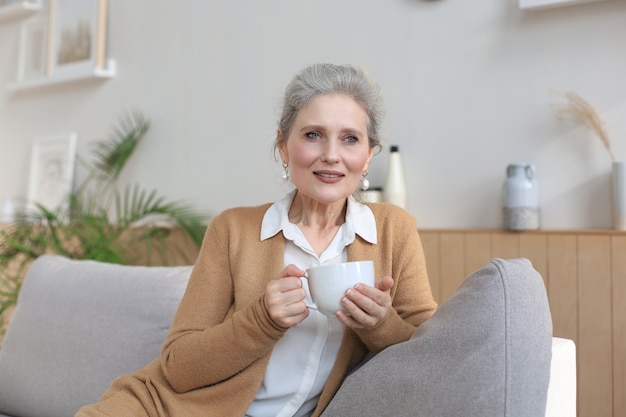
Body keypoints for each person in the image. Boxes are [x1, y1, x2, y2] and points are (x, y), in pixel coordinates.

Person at [76, 63, 437, 417]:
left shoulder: (394, 230)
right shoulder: (232, 229)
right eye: (313, 135)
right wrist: (262, 320)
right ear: (283, 146)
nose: (331, 154)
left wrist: (380, 325)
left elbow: (434, 356)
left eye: (350, 139)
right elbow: (178, 367)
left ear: (368, 155)